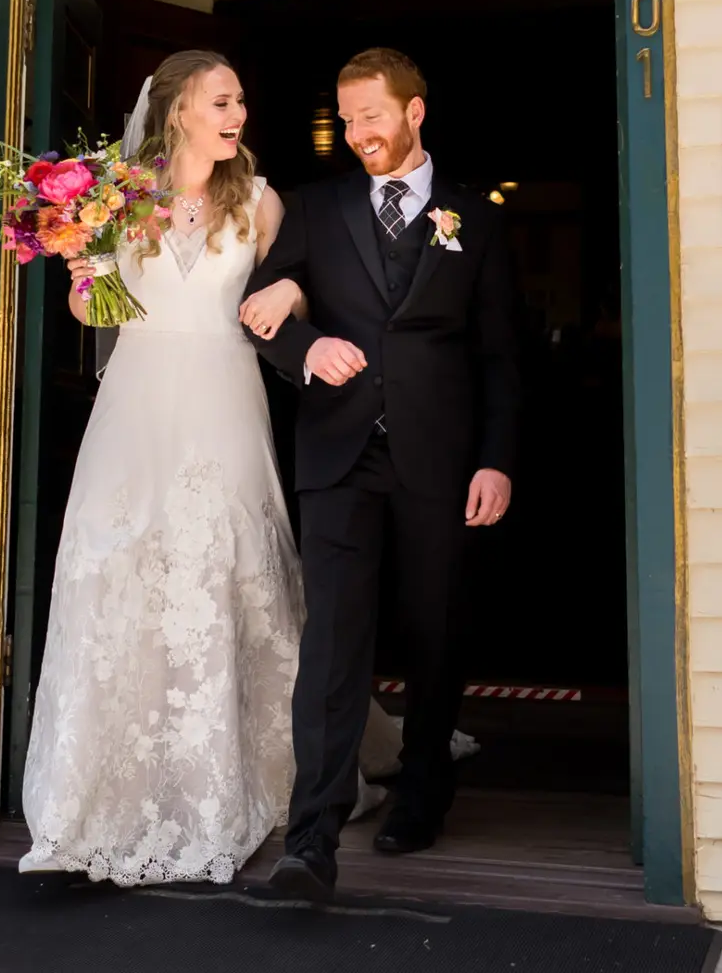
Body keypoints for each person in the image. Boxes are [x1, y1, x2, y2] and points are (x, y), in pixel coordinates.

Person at [235, 47, 522, 905]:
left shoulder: (475, 217)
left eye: (372, 115)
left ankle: (424, 791)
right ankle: (312, 837)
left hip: (441, 455)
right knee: (332, 644)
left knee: (434, 631)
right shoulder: (317, 210)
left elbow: (502, 355)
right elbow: (258, 309)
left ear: (414, 112)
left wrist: (498, 458)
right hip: (339, 453)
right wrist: (303, 344)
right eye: (348, 116)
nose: (359, 131)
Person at [16, 50, 304, 886]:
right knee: (121, 568)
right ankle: (94, 793)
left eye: (241, 100)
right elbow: (92, 308)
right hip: (135, 401)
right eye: (222, 99)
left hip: (223, 396)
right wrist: (82, 268)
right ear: (177, 109)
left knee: (224, 566)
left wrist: (292, 299)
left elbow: (287, 299)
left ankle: (233, 785)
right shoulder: (117, 194)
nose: (236, 112)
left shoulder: (258, 200)